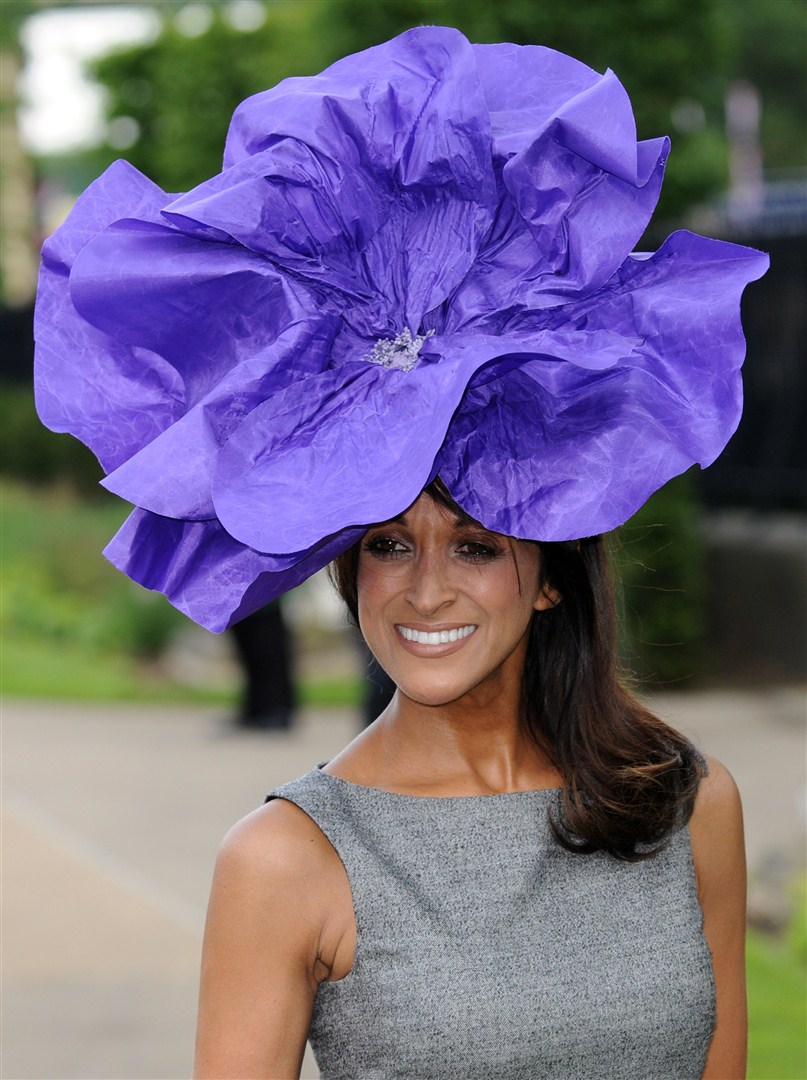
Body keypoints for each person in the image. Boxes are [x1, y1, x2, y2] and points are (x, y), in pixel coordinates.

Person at [33, 26, 768, 1080]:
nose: (425, 587)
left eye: (473, 543)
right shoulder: (285, 861)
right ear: (344, 563)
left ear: (553, 574)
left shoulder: (687, 802)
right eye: (387, 544)